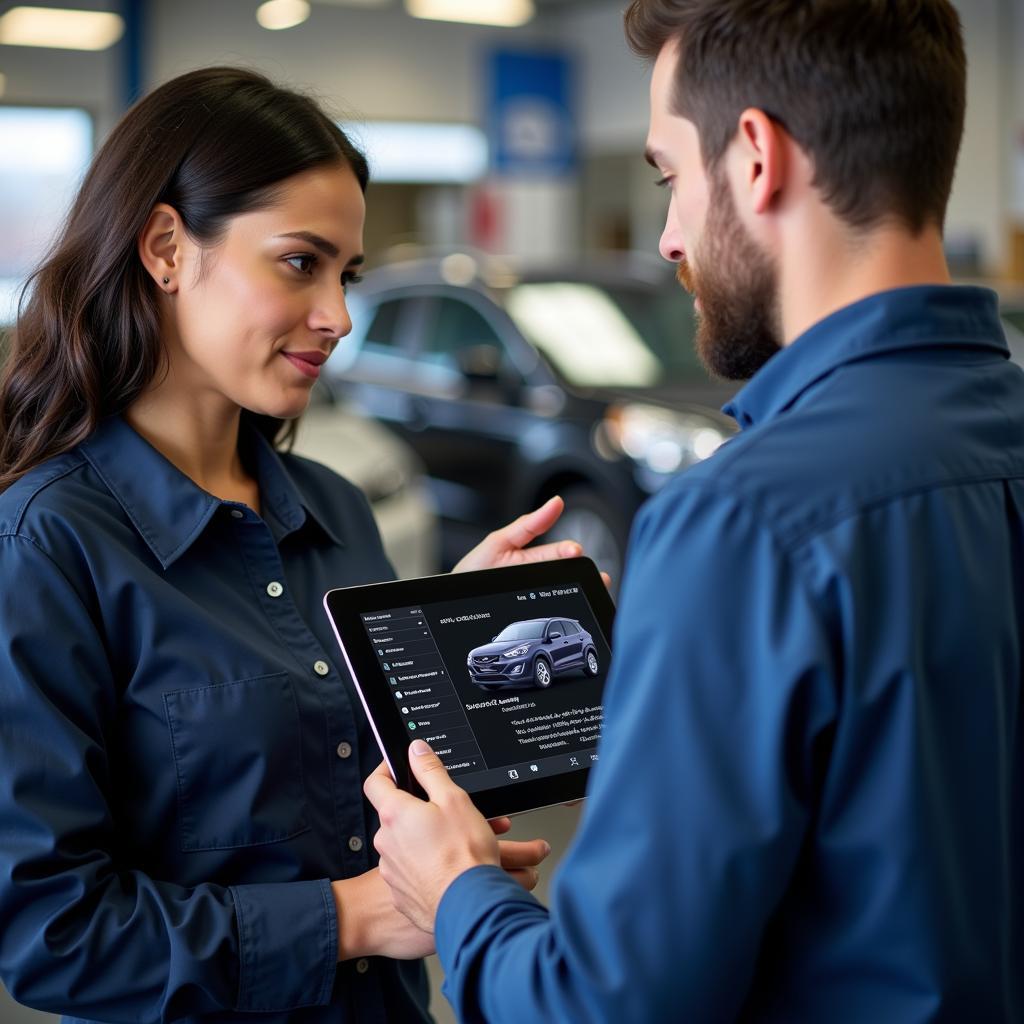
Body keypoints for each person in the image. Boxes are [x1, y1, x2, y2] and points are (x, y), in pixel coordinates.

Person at [365, 2, 1024, 1021]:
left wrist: (457, 890)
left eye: (668, 175)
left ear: (755, 156)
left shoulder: (745, 521)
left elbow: (602, 1006)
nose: (669, 235)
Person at [0, 66, 564, 1023]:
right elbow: (50, 934)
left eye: (346, 274)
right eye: (300, 263)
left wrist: (444, 643)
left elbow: (352, 786)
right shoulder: (45, 545)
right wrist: (357, 916)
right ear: (168, 247)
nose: (339, 316)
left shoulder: (336, 507)